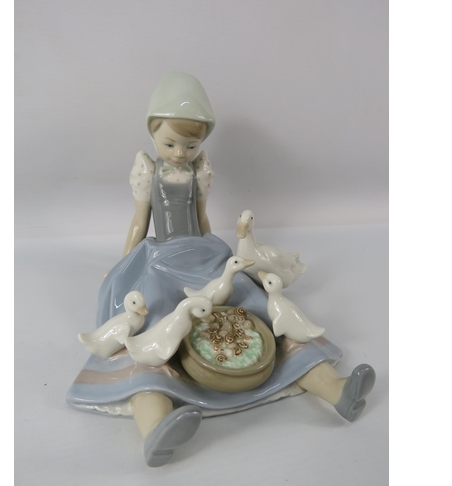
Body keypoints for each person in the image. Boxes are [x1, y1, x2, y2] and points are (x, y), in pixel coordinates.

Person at [66, 72, 375, 467]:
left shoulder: (198, 171)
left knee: (261, 307)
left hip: (200, 252)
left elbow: (202, 219)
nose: (180, 153)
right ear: (152, 134)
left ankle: (334, 389)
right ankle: (155, 424)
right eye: (170, 143)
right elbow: (140, 223)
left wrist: (216, 250)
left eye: (191, 145)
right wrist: (123, 264)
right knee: (153, 325)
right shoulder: (149, 171)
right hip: (159, 259)